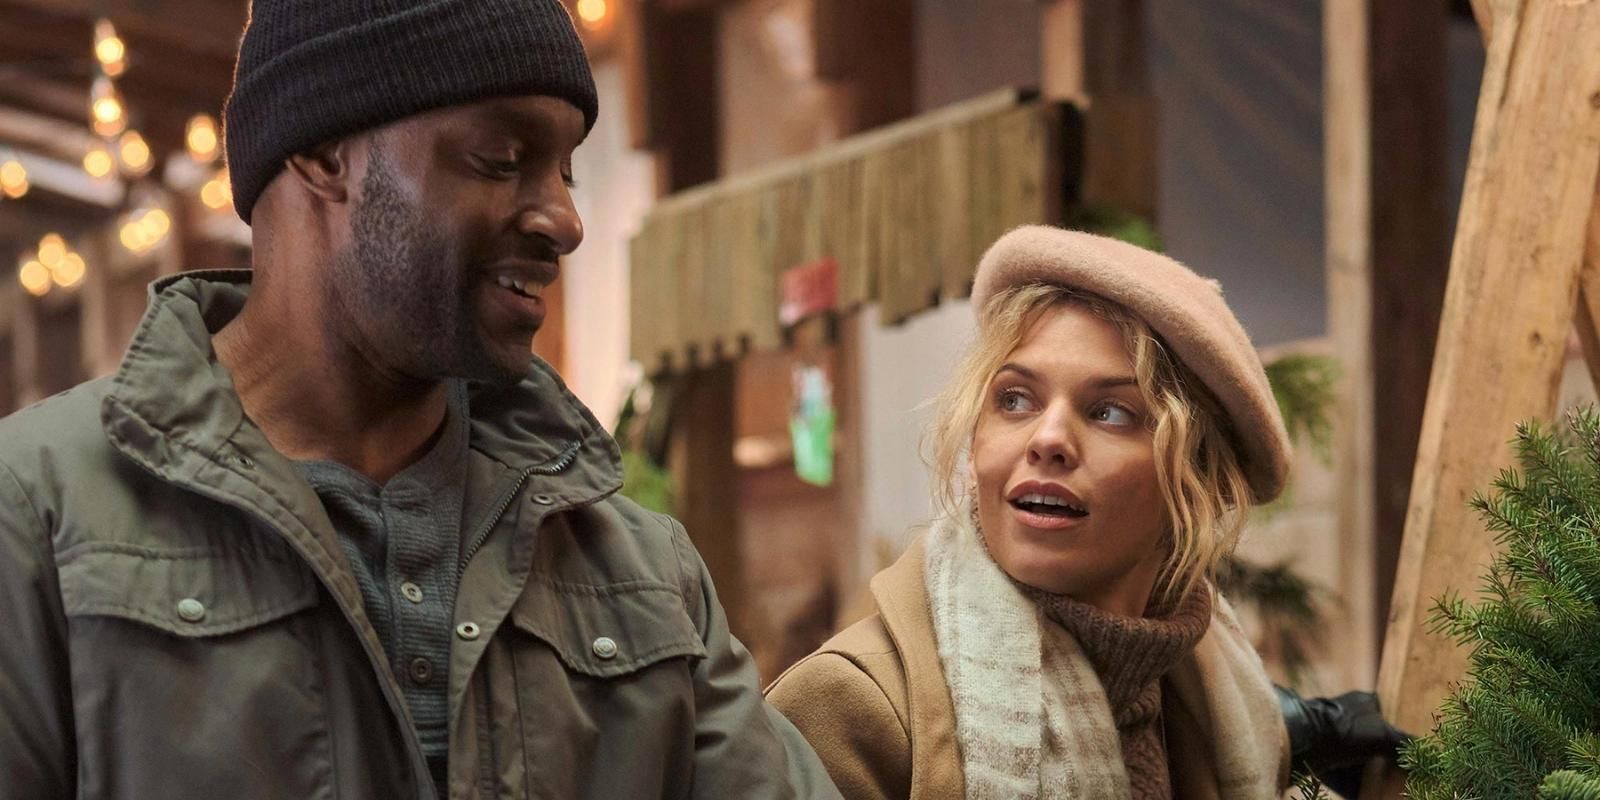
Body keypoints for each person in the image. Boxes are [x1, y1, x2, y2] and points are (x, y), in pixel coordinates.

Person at [0, 2, 840, 798]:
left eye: (566, 170)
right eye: (501, 159)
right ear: (325, 155)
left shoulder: (642, 576)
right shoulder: (39, 517)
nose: (565, 219)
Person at [766, 226, 1402, 799]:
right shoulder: (849, 708)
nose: (1047, 439)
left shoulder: (1211, 703)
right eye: (1014, 399)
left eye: (1110, 413)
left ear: (1196, 479)